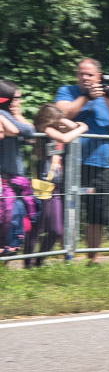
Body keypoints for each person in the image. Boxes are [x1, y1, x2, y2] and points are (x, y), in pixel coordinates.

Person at [54, 57, 109, 262]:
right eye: (81, 74)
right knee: (69, 209)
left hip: (101, 163)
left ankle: (92, 259)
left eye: (89, 74)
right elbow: (60, 114)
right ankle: (67, 256)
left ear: (99, 76)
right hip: (72, 162)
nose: (85, 77)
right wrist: (86, 97)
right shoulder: (67, 91)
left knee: (98, 213)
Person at [27, 105, 86, 266]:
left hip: (56, 187)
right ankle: (28, 262)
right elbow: (66, 138)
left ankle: (39, 260)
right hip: (43, 187)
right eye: (58, 121)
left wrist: (64, 120)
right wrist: (82, 128)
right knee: (38, 228)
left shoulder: (56, 130)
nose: (61, 124)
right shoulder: (46, 131)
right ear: (50, 120)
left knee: (56, 230)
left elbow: (72, 127)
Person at [0, 81, 34, 257]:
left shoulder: (6, 114)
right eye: (16, 99)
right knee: (8, 220)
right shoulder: (2, 113)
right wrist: (17, 118)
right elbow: (26, 131)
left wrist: (18, 115)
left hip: (12, 178)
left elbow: (30, 134)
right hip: (5, 177)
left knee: (13, 219)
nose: (18, 102)